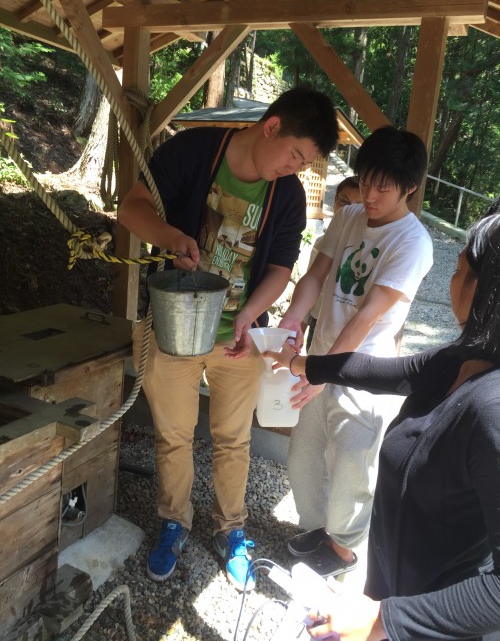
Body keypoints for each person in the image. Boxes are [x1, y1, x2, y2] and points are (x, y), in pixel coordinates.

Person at [117, 86, 339, 591]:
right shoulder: (194, 151)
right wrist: (171, 238)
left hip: (239, 336)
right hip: (171, 325)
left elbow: (280, 268)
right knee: (173, 434)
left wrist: (250, 316)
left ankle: (231, 529)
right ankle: (174, 522)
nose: (294, 168)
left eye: (304, 163)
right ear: (272, 127)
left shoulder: (288, 195)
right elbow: (131, 208)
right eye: (294, 155)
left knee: (234, 439)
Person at [265, 213, 500, 641]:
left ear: (486, 290)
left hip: (429, 621)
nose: (451, 281)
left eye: (458, 270)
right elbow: (381, 371)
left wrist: (384, 620)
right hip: (389, 588)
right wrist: (299, 363)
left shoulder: (492, 410)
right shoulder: (461, 358)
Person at [278, 126, 434, 579]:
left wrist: (321, 372)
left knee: (352, 464)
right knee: (304, 458)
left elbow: (367, 316)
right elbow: (315, 276)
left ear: (409, 187)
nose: (369, 194)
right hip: (320, 357)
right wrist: (294, 318)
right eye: (366, 180)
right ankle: (316, 530)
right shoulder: (348, 217)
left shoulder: (413, 242)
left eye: (383, 186)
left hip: (363, 373)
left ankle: (343, 551)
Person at [302, 176, 361, 351]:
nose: (349, 210)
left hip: (345, 330)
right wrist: (300, 325)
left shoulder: (363, 252)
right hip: (316, 321)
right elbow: (312, 282)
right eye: (344, 202)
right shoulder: (321, 243)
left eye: (358, 206)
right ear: (335, 201)